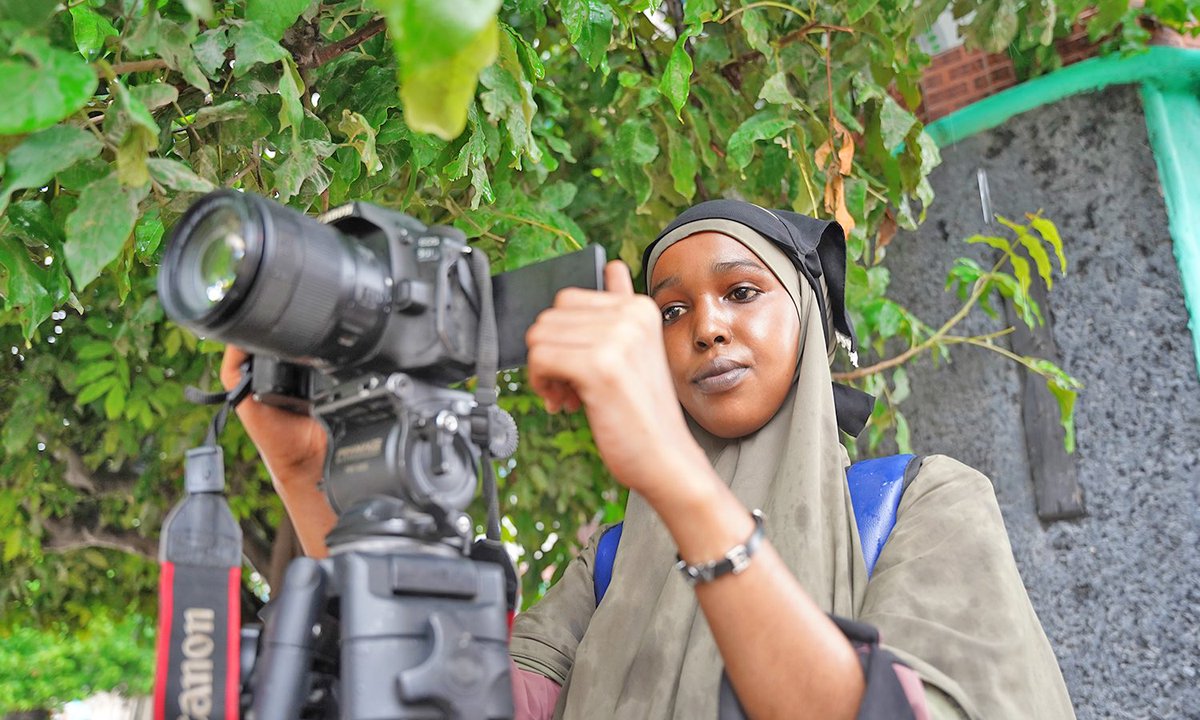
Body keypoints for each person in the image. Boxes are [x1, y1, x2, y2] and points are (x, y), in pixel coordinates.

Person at [222, 200, 1075, 719]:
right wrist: (304, 472)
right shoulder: (607, 564)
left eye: (742, 292)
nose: (707, 327)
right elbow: (445, 697)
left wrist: (674, 472)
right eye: (670, 310)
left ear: (809, 321)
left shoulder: (922, 503)